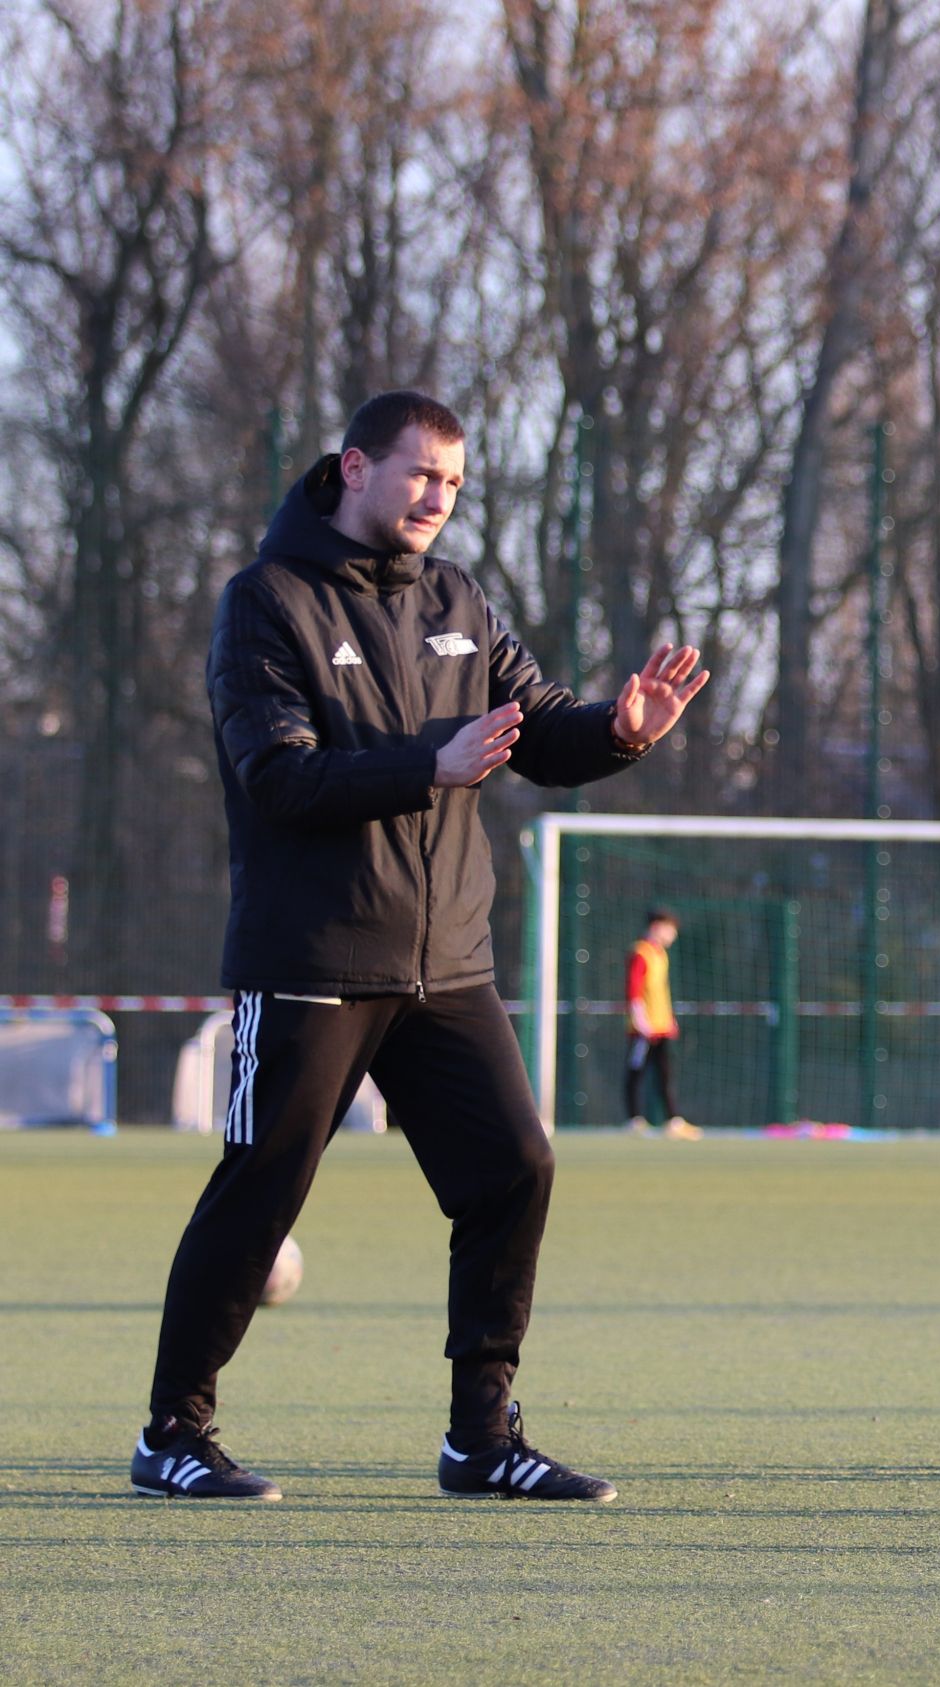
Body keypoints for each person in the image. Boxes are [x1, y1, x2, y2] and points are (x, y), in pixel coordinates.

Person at [137, 389, 708, 1502]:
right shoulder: (266, 602)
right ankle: (172, 1431)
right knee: (262, 1186)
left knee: (515, 1170)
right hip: (309, 961)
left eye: (453, 483)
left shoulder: (457, 597)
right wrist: (427, 764)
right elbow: (277, 775)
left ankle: (481, 1438)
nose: (437, 500)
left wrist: (618, 732)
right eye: (418, 475)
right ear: (353, 470)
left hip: (446, 964)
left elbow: (536, 726)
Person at [624, 909, 696, 1138]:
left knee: (665, 1073)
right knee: (636, 1072)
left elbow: (659, 992)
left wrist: (669, 1019)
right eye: (670, 929)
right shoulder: (641, 953)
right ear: (656, 926)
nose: (672, 935)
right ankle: (634, 1119)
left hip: (661, 1026)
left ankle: (672, 1120)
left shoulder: (660, 955)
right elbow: (634, 991)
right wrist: (641, 1022)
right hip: (644, 1029)